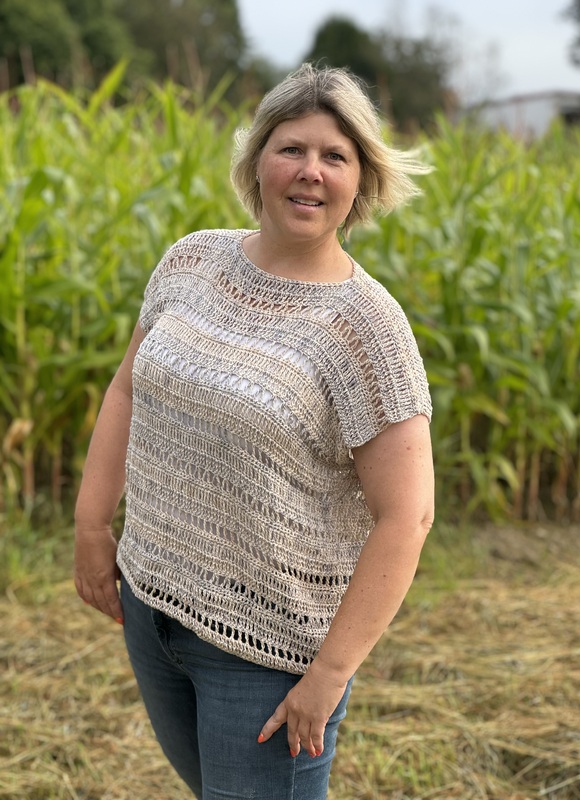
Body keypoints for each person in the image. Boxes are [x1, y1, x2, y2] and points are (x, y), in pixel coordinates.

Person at [74, 62, 435, 800]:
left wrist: (329, 674)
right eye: (291, 148)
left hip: (267, 653)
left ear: (362, 180)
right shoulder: (192, 259)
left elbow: (408, 516)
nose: (310, 172)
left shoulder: (367, 328)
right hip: (151, 604)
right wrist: (90, 525)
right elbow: (126, 389)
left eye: (335, 156)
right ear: (257, 160)